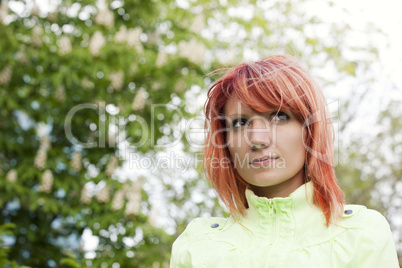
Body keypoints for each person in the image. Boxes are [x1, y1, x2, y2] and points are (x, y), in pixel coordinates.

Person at [170, 55, 399, 267]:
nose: (257, 140)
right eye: (240, 123)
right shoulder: (196, 246)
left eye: (279, 116)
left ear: (310, 131)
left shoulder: (363, 234)